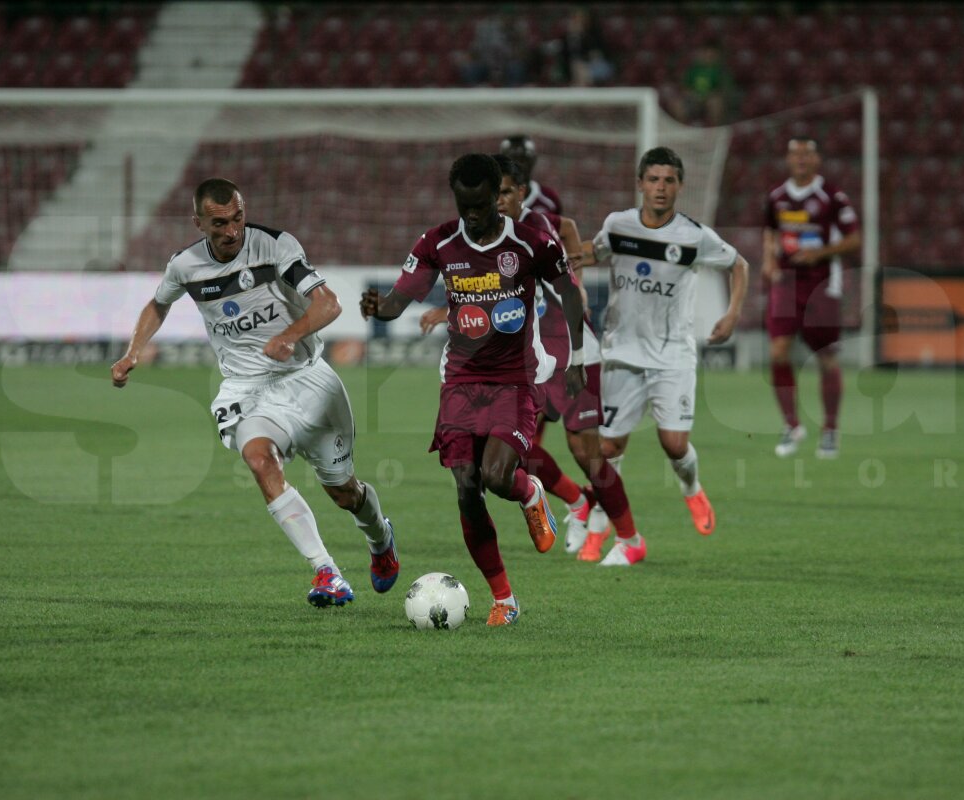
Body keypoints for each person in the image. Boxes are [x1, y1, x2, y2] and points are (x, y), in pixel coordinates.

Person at [111, 178, 398, 607]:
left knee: (343, 491)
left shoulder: (275, 247)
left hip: (307, 379)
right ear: (199, 223)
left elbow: (329, 304)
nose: (232, 231)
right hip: (248, 389)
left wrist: (289, 335)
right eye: (220, 223)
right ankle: (327, 572)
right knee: (259, 458)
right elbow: (158, 304)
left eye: (238, 218)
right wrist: (133, 352)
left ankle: (380, 539)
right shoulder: (185, 266)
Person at [361, 153, 587, 626]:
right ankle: (504, 598)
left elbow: (567, 291)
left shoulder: (530, 243)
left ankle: (529, 494)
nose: (474, 215)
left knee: (496, 476)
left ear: (497, 195)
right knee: (466, 488)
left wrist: (577, 357)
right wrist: (378, 308)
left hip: (515, 379)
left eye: (482, 204)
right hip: (461, 380)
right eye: (465, 205)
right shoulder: (438, 242)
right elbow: (400, 299)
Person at [420, 155, 640, 560]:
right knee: (513, 451)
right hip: (529, 360)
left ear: (522, 193)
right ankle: (577, 502)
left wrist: (575, 278)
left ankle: (630, 540)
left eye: (505, 192)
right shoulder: (485, 236)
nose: (498, 200)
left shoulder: (535, 230)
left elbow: (567, 234)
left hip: (572, 355)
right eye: (493, 193)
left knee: (587, 455)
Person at [581, 147, 749, 565]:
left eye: (669, 180)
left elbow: (739, 264)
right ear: (640, 183)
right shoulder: (617, 225)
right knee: (609, 445)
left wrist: (732, 314)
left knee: (674, 445)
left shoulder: (694, 236)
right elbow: (591, 252)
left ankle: (691, 489)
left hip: (672, 355)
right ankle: (600, 527)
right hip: (621, 351)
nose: (660, 188)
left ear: (680, 186)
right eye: (653, 179)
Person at [762, 137, 861, 459]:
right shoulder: (777, 197)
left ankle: (830, 429)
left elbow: (854, 240)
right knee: (778, 351)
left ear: (816, 160)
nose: (801, 159)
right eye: (795, 154)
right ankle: (791, 425)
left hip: (821, 284)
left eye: (807, 154)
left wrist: (821, 252)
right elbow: (770, 231)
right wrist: (768, 262)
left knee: (826, 357)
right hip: (787, 283)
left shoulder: (832, 197)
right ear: (788, 160)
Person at [499, 135, 564, 216]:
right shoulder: (491, 199)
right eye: (512, 158)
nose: (518, 164)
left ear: (534, 160)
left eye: (523, 158)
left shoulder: (549, 199)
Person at [680, 41, 734, 126]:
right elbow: (685, 88)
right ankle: (683, 129)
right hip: (694, 99)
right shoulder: (693, 70)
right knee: (678, 105)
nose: (708, 57)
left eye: (712, 55)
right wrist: (693, 95)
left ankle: (714, 129)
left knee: (715, 103)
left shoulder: (720, 71)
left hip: (710, 99)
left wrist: (707, 96)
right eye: (706, 54)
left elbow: (723, 90)